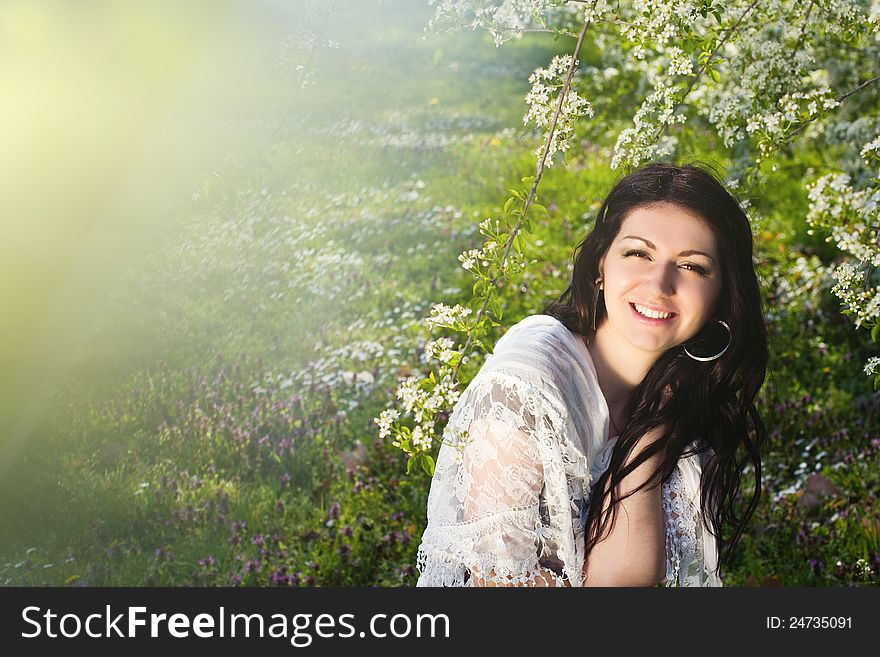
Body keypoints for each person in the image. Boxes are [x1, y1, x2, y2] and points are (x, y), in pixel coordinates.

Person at [415, 162, 768, 587]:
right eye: (638, 253)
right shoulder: (523, 388)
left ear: (721, 297)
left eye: (692, 266)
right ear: (601, 267)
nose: (659, 284)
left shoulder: (679, 392)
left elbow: (624, 580)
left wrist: (650, 433)